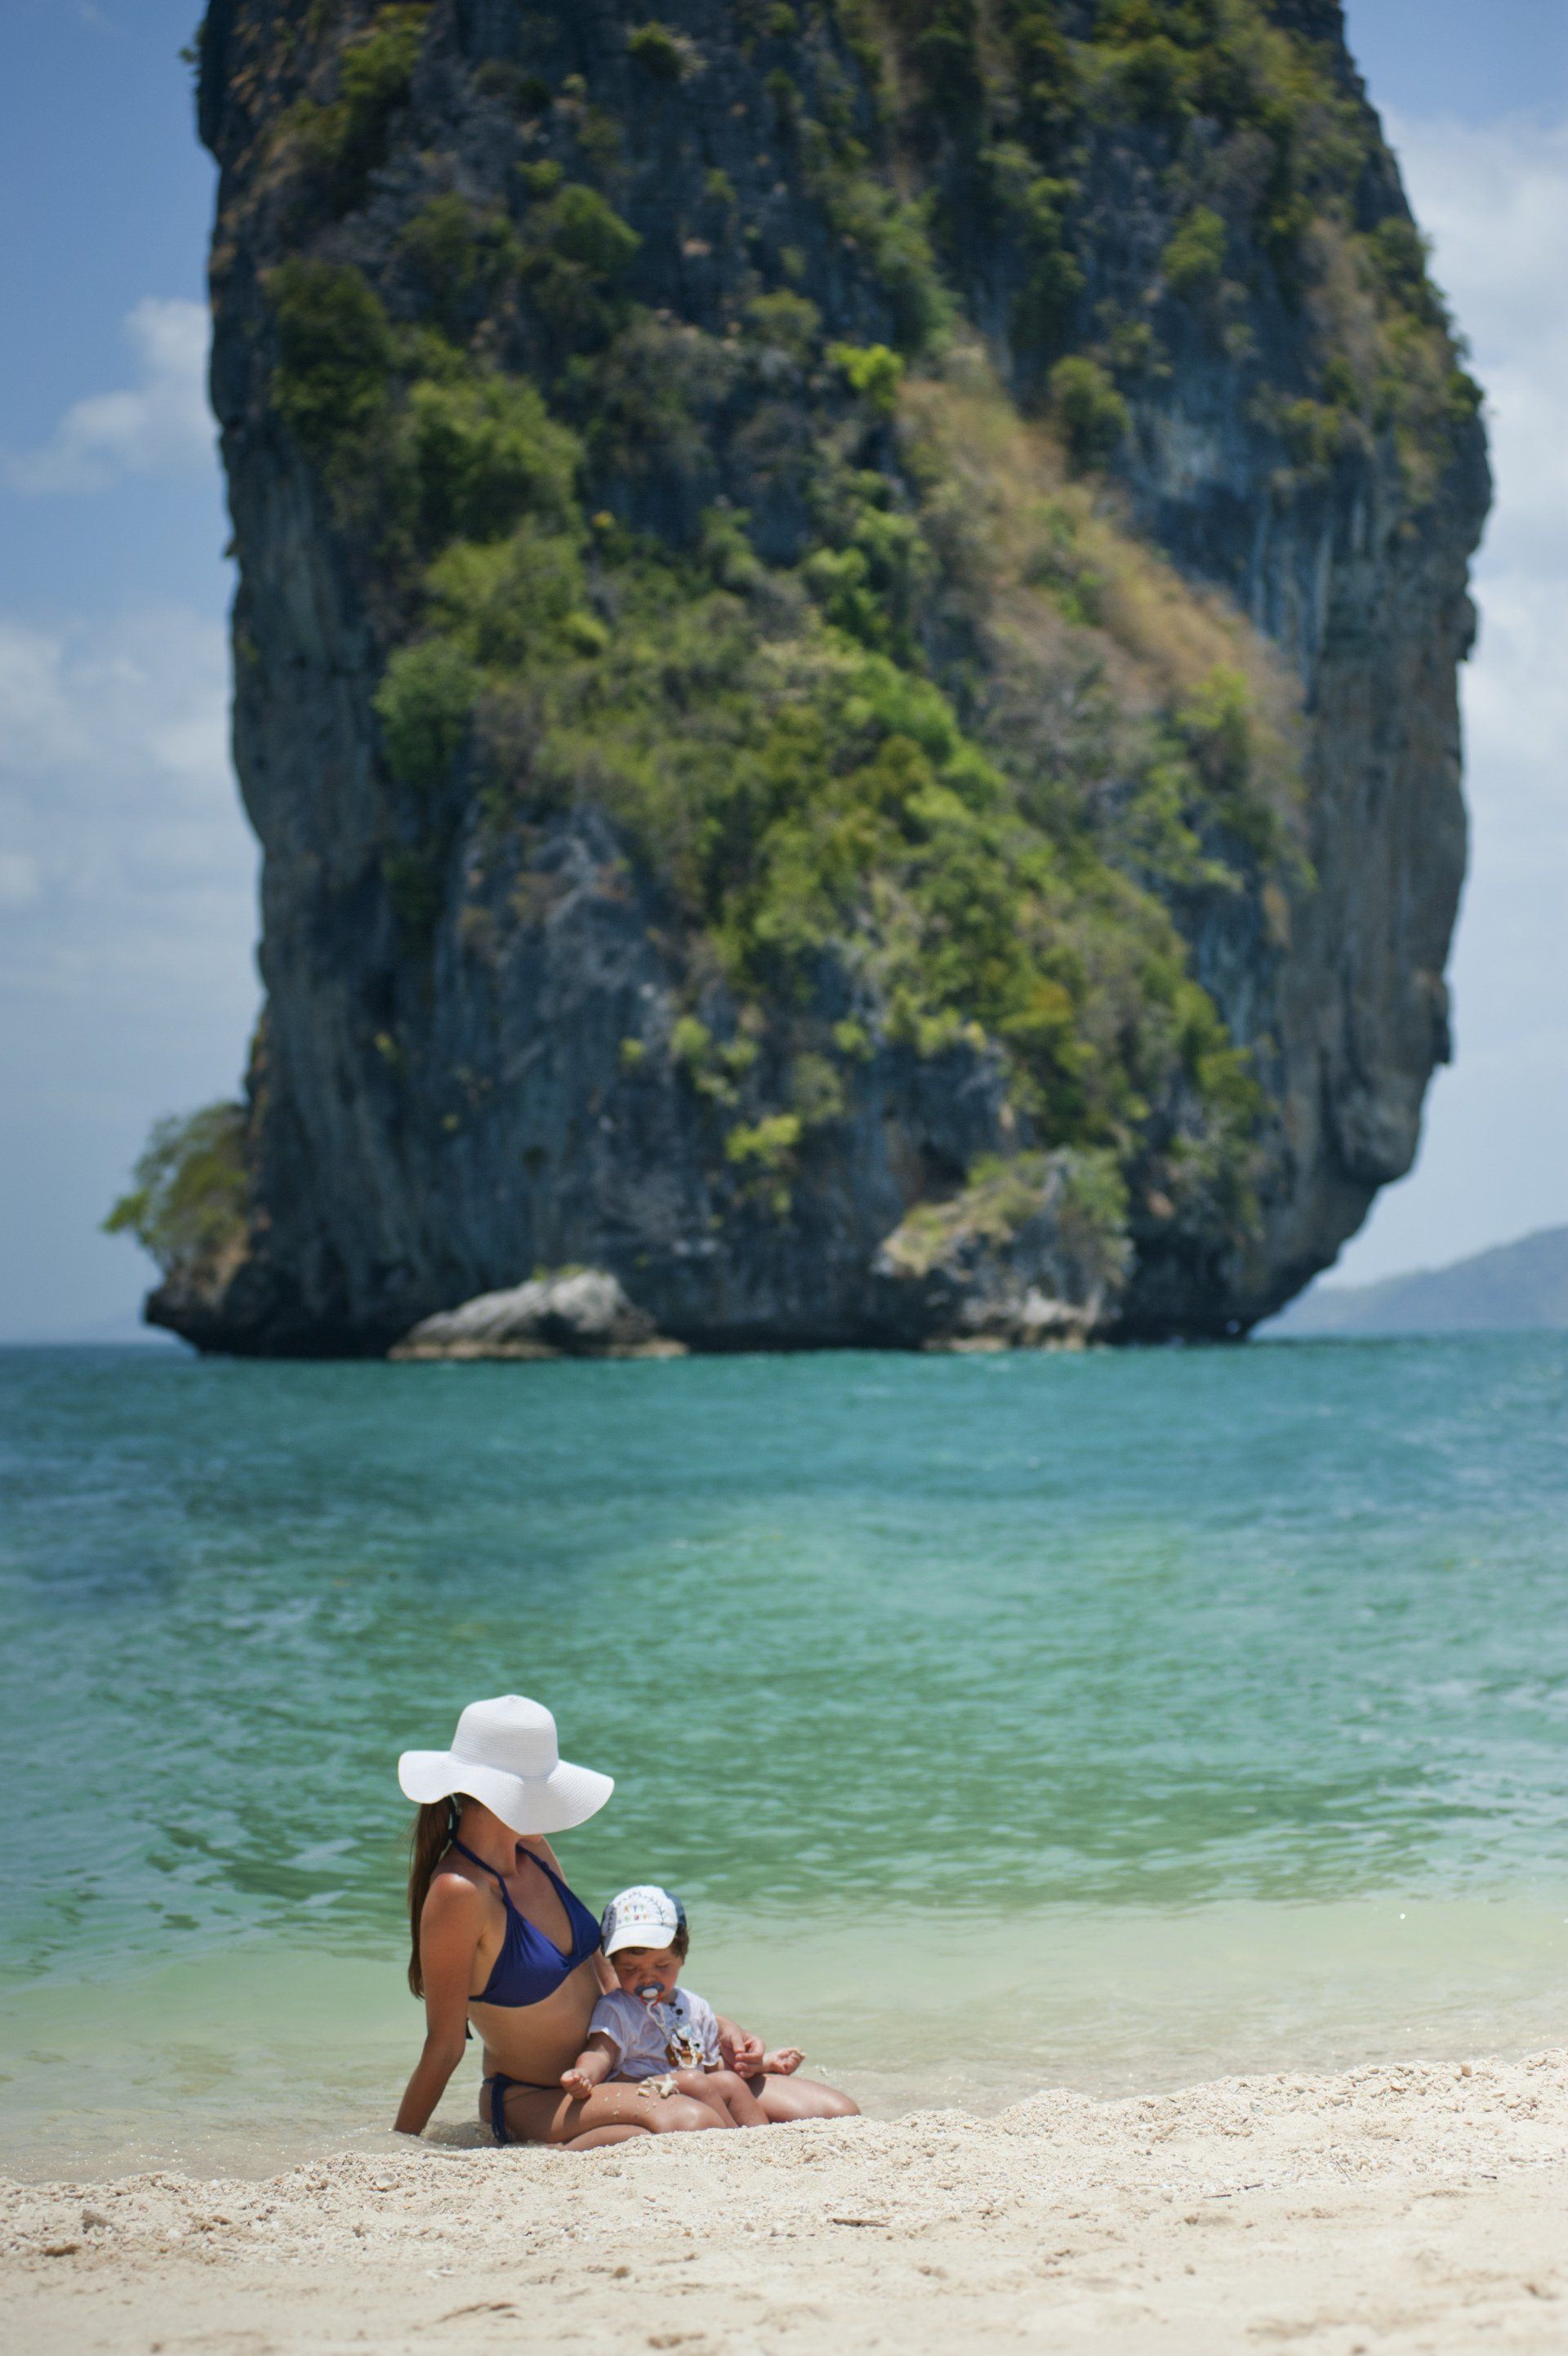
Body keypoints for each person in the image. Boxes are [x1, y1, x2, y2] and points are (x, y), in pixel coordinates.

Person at [392, 1695, 725, 2148]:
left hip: (618, 2067)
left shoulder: (533, 1849)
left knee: (825, 2109)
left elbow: (605, 1975)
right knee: (693, 2123)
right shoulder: (460, 1892)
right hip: (535, 2097)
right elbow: (445, 2046)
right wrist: (400, 2147)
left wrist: (701, 2038)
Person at [561, 1884, 858, 2127]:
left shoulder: (693, 2006)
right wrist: (584, 2075)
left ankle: (761, 2140)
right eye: (630, 1969)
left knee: (724, 2080)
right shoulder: (617, 2009)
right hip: (641, 2089)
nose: (647, 1977)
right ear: (613, 1965)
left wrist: (763, 2063)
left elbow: (712, 2064)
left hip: (694, 2085)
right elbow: (600, 2051)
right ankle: (728, 2139)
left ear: (682, 1957)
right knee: (695, 2081)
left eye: (661, 1965)